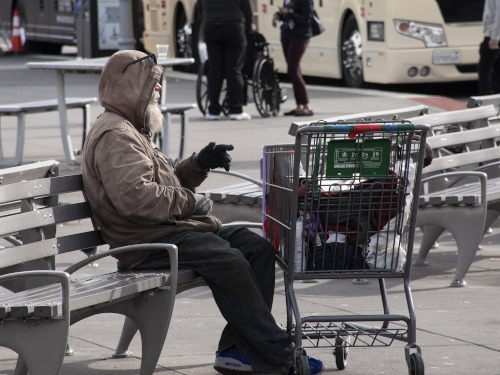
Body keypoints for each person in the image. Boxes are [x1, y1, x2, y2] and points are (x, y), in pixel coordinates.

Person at [81, 50, 325, 375]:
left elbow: (158, 187)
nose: (158, 91)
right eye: (153, 85)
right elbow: (137, 200)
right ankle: (280, 356)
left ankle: (237, 350)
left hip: (166, 229)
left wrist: (198, 165)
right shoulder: (116, 136)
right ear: (131, 88)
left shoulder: (129, 128)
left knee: (255, 248)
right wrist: (191, 202)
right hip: (146, 242)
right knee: (228, 259)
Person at [199, 0, 253, 121]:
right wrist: (248, 27)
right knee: (234, 69)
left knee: (214, 70)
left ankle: (213, 111)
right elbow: (247, 9)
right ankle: (236, 110)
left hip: (211, 27)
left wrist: (209, 19)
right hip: (233, 27)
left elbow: (200, 10)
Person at [273, 0, 314, 117]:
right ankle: (299, 105)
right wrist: (278, 15)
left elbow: (306, 18)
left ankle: (306, 105)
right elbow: (287, 12)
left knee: (292, 70)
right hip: (287, 34)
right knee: (294, 71)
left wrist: (288, 14)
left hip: (299, 36)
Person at [478, 0, 500, 95]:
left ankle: (485, 100)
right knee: (497, 69)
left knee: (484, 69)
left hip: (493, 35)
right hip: (494, 34)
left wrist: (495, 36)